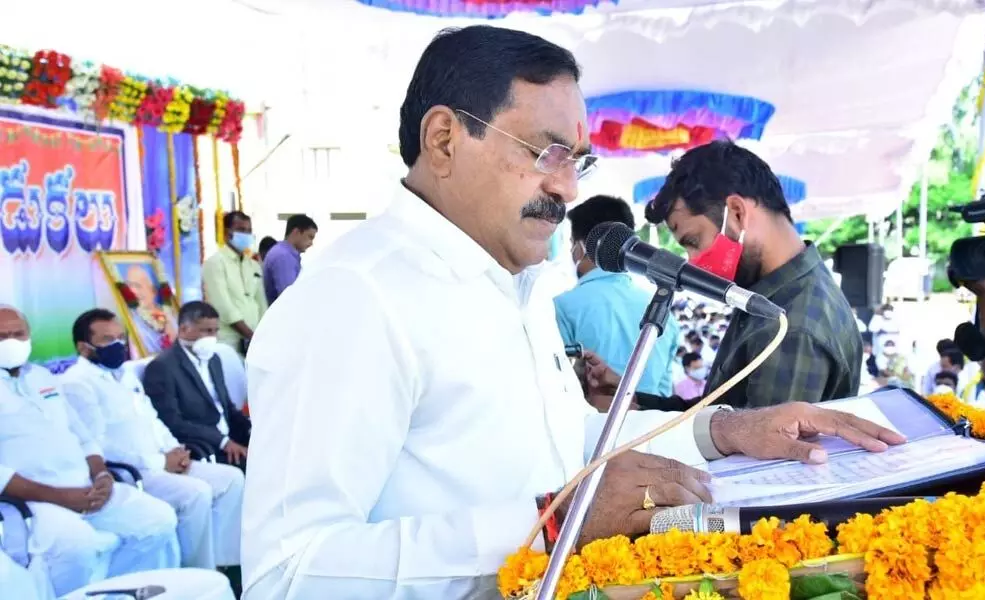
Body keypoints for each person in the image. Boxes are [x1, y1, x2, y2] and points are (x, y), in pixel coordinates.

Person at [239, 26, 905, 599]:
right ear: (443, 140)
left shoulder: (514, 285)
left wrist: (729, 433)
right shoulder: (354, 299)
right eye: (545, 151)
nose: (566, 186)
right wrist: (554, 524)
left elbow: (566, 452)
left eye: (577, 160)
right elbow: (288, 573)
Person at [644, 140, 861, 408]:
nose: (693, 261)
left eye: (694, 241)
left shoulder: (791, 326)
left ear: (736, 213)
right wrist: (636, 403)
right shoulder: (770, 296)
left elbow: (753, 443)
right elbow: (723, 420)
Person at [0, 306, 179, 595]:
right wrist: (60, 496)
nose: (10, 341)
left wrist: (102, 475)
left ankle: (119, 592)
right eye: (1, 336)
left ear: (28, 335)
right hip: (35, 501)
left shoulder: (43, 378)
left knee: (158, 520)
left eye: (17, 333)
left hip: (88, 488)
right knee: (78, 546)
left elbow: (83, 437)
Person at [61, 309, 245, 571]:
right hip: (134, 471)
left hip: (165, 458)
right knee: (196, 493)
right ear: (84, 347)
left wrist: (175, 449)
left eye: (120, 338)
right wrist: (159, 461)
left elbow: (153, 418)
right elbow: (97, 445)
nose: (118, 345)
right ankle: (198, 570)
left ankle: (226, 561)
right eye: (107, 340)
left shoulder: (124, 374)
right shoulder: (77, 384)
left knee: (231, 479)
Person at [554, 195, 679, 398]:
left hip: (594, 428)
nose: (571, 252)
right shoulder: (664, 313)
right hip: (654, 425)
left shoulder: (561, 307)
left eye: (571, 244)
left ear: (584, 245)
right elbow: (664, 395)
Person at [143, 302, 251, 467]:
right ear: (184, 329)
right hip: (204, 446)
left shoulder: (214, 359)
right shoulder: (162, 367)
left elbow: (227, 407)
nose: (213, 338)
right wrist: (223, 442)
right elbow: (173, 422)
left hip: (231, 436)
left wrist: (252, 429)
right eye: (207, 331)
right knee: (259, 468)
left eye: (215, 331)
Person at [202, 211, 267, 355]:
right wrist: (250, 336)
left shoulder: (253, 265)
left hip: (255, 339)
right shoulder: (215, 263)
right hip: (228, 340)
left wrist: (262, 335)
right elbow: (223, 306)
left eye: (249, 231)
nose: (246, 235)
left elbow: (261, 303)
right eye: (241, 230)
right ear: (227, 234)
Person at [262, 214, 319, 305]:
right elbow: (289, 298)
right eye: (310, 237)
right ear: (296, 232)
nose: (311, 243)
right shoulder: (283, 257)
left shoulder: (284, 253)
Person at [123, 264, 177, 354]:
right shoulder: (133, 320)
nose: (133, 291)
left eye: (138, 286)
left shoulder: (170, 315)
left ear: (154, 290)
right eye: (129, 286)